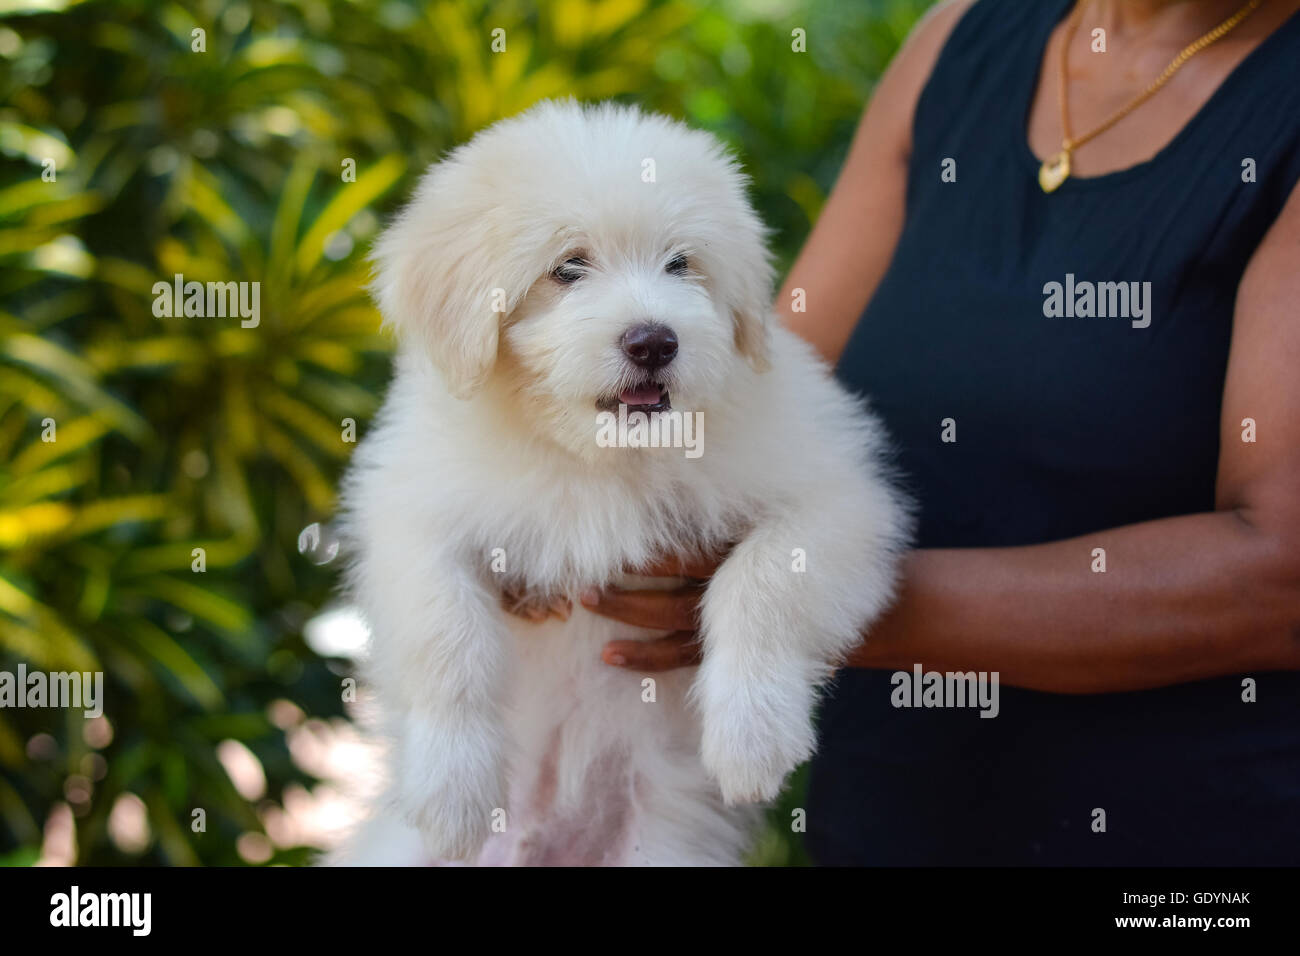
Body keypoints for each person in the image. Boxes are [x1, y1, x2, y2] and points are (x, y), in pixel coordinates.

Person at [579, 0, 1300, 864]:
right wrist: (559, 519)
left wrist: (804, 599)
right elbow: (772, 375)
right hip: (889, 815)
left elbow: (1279, 577)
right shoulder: (958, 40)